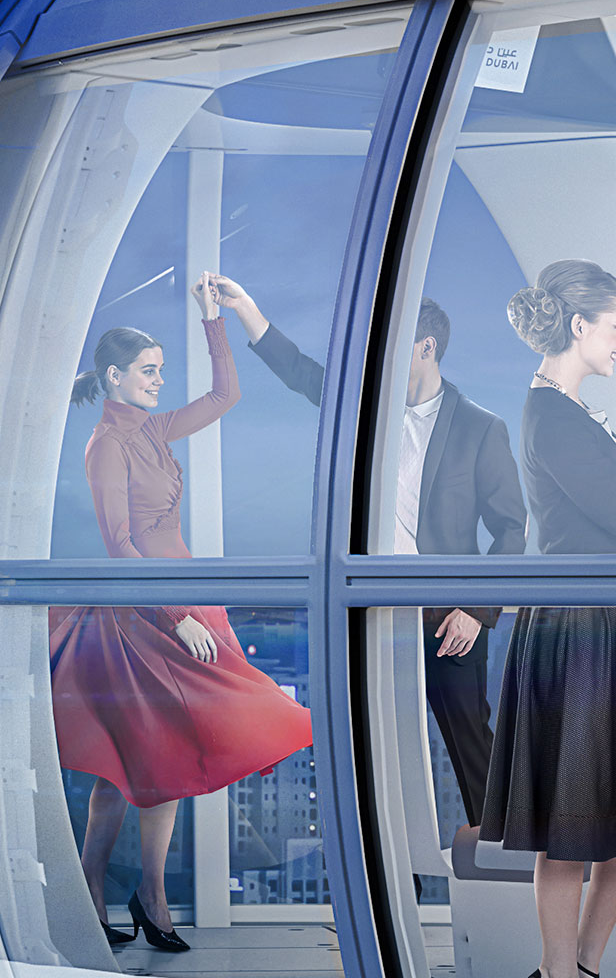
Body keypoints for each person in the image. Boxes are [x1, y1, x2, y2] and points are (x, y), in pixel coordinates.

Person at [194, 272, 527, 829]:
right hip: (369, 605)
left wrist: (476, 609)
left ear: (427, 347)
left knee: (469, 736)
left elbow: (511, 530)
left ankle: (502, 853)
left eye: (398, 342)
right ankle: (390, 884)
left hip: (449, 616)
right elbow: (300, 371)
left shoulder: (479, 428)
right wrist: (247, 310)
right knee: (371, 748)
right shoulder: (365, 406)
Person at [50, 294, 312, 952]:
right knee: (132, 763)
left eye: (162, 368)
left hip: (188, 602)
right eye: (148, 369)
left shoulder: (151, 429)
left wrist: (214, 320)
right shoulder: (106, 445)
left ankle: (143, 891)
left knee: (152, 759)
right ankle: (111, 888)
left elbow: (226, 395)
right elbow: (121, 546)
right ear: (115, 376)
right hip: (146, 612)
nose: (159, 379)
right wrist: (175, 615)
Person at [481, 259, 616, 978]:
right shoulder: (552, 416)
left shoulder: (562, 411)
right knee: (569, 823)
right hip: (579, 633)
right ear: (580, 324)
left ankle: (584, 969)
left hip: (598, 625)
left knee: (606, 817)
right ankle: (559, 973)